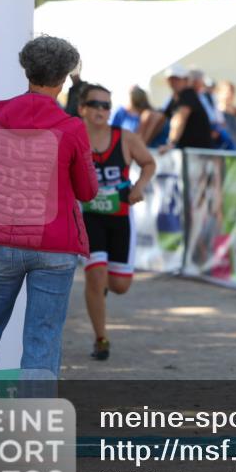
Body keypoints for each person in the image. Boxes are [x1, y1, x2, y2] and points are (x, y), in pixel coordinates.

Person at [0, 36, 98, 378]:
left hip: (1, 237)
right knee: (42, 344)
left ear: (26, 70)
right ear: (62, 80)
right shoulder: (72, 127)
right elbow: (87, 191)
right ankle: (36, 430)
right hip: (55, 243)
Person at [78, 84, 156, 360]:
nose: (101, 110)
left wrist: (139, 186)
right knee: (95, 275)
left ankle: (103, 290)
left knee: (120, 285)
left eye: (106, 105)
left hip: (121, 216)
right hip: (89, 217)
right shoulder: (74, 137)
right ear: (82, 108)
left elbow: (149, 163)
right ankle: (101, 339)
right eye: (95, 104)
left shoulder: (124, 137)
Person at [158, 66, 214, 152]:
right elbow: (162, 118)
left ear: (185, 80)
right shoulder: (176, 97)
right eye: (171, 79)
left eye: (177, 79)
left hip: (197, 153)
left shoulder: (188, 94)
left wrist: (170, 144)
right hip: (190, 152)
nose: (173, 82)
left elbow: (179, 119)